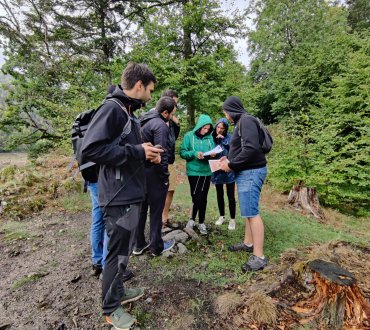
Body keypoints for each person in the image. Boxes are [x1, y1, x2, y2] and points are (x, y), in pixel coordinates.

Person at [81, 62, 162, 330]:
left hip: (129, 193)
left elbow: (126, 150)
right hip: (117, 196)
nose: (150, 96)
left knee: (124, 251)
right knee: (115, 254)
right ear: (139, 86)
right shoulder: (112, 109)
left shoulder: (127, 111)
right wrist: (138, 152)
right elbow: (91, 149)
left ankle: (117, 293)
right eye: (150, 90)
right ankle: (110, 308)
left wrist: (145, 152)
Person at [219, 96, 268, 273]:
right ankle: (248, 243)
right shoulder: (242, 122)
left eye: (226, 111)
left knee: (252, 213)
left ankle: (259, 257)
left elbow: (251, 148)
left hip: (251, 172)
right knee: (248, 210)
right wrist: (229, 158)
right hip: (247, 171)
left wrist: (231, 165)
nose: (226, 116)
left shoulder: (246, 121)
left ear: (232, 109)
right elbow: (243, 148)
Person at [133, 96, 177, 256]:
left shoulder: (142, 120)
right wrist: (165, 176)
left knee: (141, 209)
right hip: (154, 174)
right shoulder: (160, 126)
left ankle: (138, 244)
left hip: (139, 173)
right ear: (165, 112)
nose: (172, 117)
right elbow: (161, 153)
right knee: (156, 211)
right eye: (172, 114)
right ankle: (156, 247)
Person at [180, 114, 216, 235]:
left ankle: (201, 222)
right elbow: (183, 153)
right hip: (193, 171)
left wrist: (213, 154)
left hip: (206, 171)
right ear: (199, 126)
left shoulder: (210, 138)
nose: (206, 131)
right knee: (196, 196)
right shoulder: (189, 136)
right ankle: (191, 219)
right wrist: (195, 153)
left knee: (203, 197)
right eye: (204, 128)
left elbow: (214, 150)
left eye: (208, 129)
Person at [211, 118, 236, 230]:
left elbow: (234, 151)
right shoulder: (212, 137)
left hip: (228, 170)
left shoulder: (230, 137)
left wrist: (224, 141)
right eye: (218, 127)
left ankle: (232, 220)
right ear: (215, 127)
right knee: (219, 195)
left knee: (230, 196)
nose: (220, 130)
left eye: (222, 128)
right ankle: (222, 216)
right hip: (217, 170)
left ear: (225, 129)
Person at [160, 90, 180, 227]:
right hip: (159, 161)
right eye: (174, 103)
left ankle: (164, 217)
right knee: (159, 191)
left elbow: (174, 139)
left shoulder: (172, 121)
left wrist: (176, 123)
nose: (176, 107)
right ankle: (157, 217)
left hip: (170, 161)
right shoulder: (156, 118)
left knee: (170, 190)